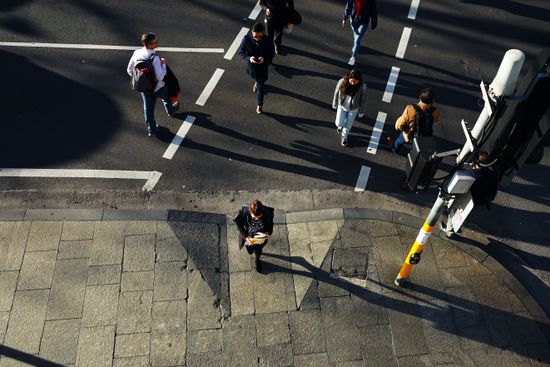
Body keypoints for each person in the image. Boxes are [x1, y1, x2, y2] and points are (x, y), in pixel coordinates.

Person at [127, 32, 179, 136]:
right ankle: (171, 110)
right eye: (156, 41)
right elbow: (160, 77)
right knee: (166, 96)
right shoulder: (154, 58)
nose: (157, 43)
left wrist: (142, 80)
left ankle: (152, 129)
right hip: (158, 87)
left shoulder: (136, 53)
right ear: (151, 44)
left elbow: (129, 70)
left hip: (145, 89)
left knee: (148, 109)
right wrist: (163, 64)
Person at [387, 88, 441, 154]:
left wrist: (402, 129)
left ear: (420, 98)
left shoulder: (410, 108)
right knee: (417, 147)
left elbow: (401, 124)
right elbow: (436, 120)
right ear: (432, 101)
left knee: (399, 142)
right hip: (424, 135)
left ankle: (395, 149)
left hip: (410, 134)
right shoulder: (435, 112)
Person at [238, 23, 275, 114]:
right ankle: (256, 82)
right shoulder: (246, 39)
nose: (257, 39)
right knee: (257, 80)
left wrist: (264, 59)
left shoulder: (268, 41)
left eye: (259, 36)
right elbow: (241, 52)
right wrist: (249, 58)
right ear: (252, 33)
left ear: (263, 33)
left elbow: (271, 55)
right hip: (252, 67)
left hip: (262, 67)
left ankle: (260, 105)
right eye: (255, 37)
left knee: (260, 86)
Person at [233, 200, 274, 273]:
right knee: (250, 250)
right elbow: (238, 225)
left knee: (258, 250)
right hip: (249, 236)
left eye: (259, 217)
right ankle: (253, 252)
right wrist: (245, 236)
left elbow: (271, 224)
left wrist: (268, 233)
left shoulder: (268, 213)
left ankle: (257, 260)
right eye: (255, 217)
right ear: (250, 211)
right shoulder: (244, 212)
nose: (257, 219)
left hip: (261, 237)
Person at [332, 69, 368, 147]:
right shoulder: (342, 82)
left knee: (348, 125)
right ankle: (341, 125)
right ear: (348, 77)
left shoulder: (362, 87)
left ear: (359, 80)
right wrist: (335, 103)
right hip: (342, 106)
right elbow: (336, 93)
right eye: (351, 80)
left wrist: (361, 111)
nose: (353, 82)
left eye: (355, 81)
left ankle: (344, 136)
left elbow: (363, 99)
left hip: (353, 109)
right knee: (338, 123)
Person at [342, 0, 378, 66]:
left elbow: (373, 12)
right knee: (356, 35)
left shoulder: (370, 1)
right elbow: (348, 7)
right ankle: (357, 46)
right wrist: (344, 18)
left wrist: (374, 23)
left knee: (357, 39)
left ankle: (353, 56)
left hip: (364, 22)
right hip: (353, 20)